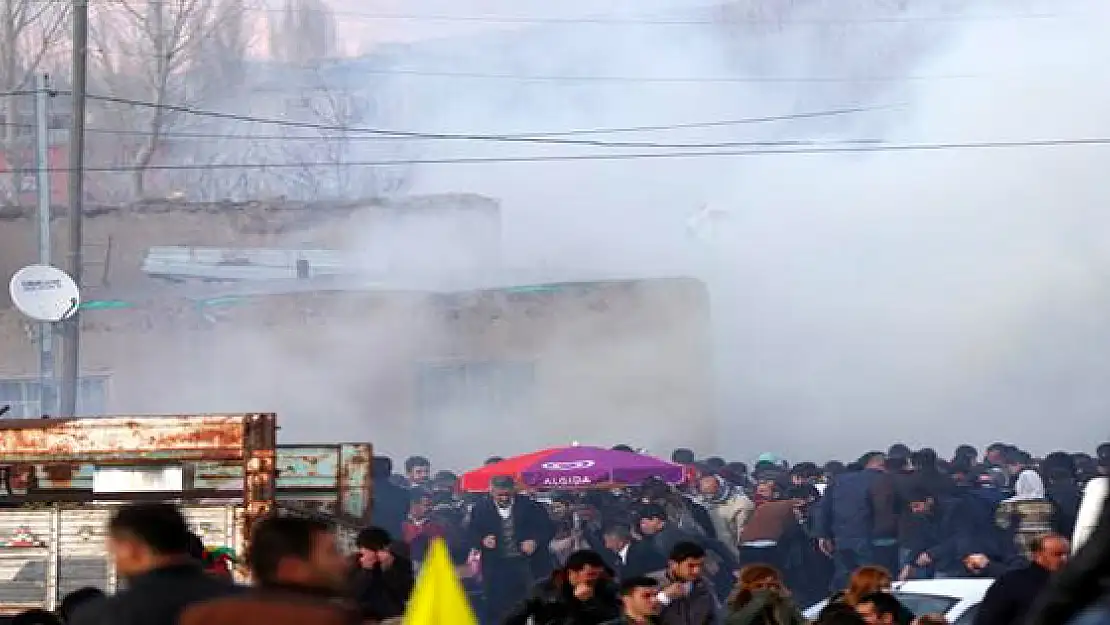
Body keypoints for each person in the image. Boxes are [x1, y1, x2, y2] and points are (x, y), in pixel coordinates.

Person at [69, 503, 241, 625]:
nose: (114, 559)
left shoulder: (98, 616)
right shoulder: (248, 602)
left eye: (113, 549)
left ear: (130, 549)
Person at [179, 515, 356, 625]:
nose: (343, 562)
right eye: (331, 553)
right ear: (291, 567)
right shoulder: (330, 619)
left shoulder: (202, 615)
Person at [468, 475, 556, 624]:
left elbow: (548, 529)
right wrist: (482, 540)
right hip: (497, 565)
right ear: (491, 492)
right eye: (499, 495)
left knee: (535, 598)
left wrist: (535, 541)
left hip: (529, 563)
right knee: (501, 604)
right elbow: (471, 532)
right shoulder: (481, 508)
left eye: (507, 494)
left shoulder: (531, 506)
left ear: (514, 490)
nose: (503, 498)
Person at [503, 549, 622, 625]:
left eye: (598, 574)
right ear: (572, 574)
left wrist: (590, 602)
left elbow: (617, 616)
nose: (595, 579)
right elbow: (518, 614)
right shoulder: (545, 589)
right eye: (590, 575)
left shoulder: (607, 588)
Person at [973, 533, 1070, 625]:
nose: (1064, 559)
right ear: (1038, 555)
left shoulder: (1069, 583)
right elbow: (988, 619)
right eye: (1058, 554)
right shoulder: (1012, 583)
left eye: (1066, 554)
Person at [349, 527, 415, 623]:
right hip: (359, 615)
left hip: (390, 617)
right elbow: (353, 594)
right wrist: (366, 570)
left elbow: (408, 593)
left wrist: (388, 569)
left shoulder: (399, 563)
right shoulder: (353, 562)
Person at [650, 542, 720, 625]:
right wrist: (664, 597)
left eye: (700, 565)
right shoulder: (650, 584)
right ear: (673, 564)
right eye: (691, 566)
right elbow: (639, 616)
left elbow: (714, 616)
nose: (696, 571)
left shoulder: (704, 585)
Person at [994, 470, 1055, 561]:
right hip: (1046, 540)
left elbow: (1001, 524)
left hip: (1019, 543)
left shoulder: (1010, 504)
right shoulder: (1049, 503)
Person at [723, 564, 805, 625]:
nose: (770, 589)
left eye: (774, 585)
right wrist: (759, 600)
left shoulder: (782, 603)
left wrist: (788, 600)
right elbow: (733, 622)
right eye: (760, 586)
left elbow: (802, 622)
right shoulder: (737, 606)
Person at [602, 523, 667, 580]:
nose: (607, 546)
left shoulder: (641, 553)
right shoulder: (617, 558)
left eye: (608, 542)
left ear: (620, 543)